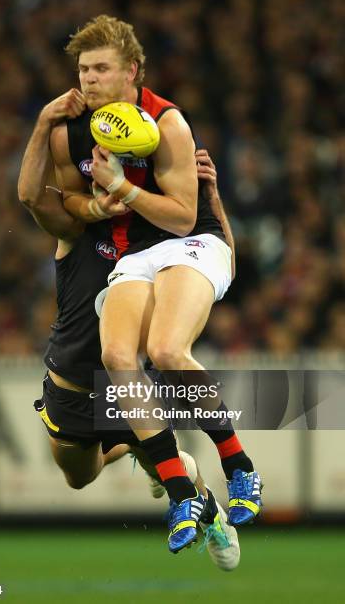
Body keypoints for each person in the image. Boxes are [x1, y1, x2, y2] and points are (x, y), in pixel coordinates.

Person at [49, 14, 262, 553]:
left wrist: (119, 185)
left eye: (101, 68)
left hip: (187, 243)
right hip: (135, 254)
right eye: (82, 69)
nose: (88, 79)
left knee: (166, 349)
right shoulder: (77, 127)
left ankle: (239, 466)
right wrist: (94, 198)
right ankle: (181, 490)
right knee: (119, 357)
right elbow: (52, 202)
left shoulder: (166, 122)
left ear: (132, 72)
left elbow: (184, 218)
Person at [17, 96, 240, 568]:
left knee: (156, 433)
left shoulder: (163, 247)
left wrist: (211, 201)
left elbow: (222, 259)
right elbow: (30, 197)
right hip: (73, 387)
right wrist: (43, 124)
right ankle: (147, 454)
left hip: (129, 384)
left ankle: (206, 506)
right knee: (80, 476)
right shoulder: (77, 230)